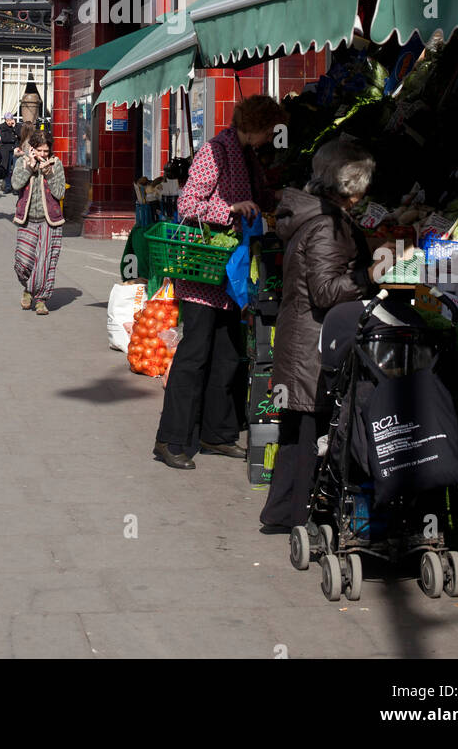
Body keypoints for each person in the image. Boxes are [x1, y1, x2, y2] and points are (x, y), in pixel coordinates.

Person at [153, 94, 282, 471]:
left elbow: (263, 196)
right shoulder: (215, 151)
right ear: (255, 126)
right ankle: (170, 439)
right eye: (270, 130)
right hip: (202, 272)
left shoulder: (248, 156)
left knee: (227, 357)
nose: (272, 137)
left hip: (232, 277)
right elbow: (188, 205)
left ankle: (217, 434)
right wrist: (230, 209)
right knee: (194, 356)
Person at [258, 135, 376, 533]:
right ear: (352, 187)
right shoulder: (327, 224)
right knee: (309, 433)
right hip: (314, 345)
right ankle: (299, 520)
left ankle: (281, 514)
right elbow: (327, 290)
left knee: (296, 434)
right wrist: (369, 275)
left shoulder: (313, 215)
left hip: (301, 339)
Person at [11, 129, 66, 315]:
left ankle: (41, 299)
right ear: (32, 148)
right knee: (23, 262)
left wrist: (49, 173)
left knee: (44, 262)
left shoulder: (55, 164)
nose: (43, 154)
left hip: (49, 221)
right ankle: (28, 287)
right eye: (40, 150)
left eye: (46, 151)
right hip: (27, 220)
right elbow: (16, 184)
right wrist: (29, 167)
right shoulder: (22, 161)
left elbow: (60, 192)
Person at [0, 113, 19, 192]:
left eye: (10, 120)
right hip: (6, 150)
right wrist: (14, 138)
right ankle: (8, 186)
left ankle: (15, 187)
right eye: (7, 120)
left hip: (15, 149)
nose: (9, 122)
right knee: (6, 168)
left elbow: (20, 135)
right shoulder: (2, 126)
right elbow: (4, 138)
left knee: (15, 169)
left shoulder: (16, 126)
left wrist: (14, 127)